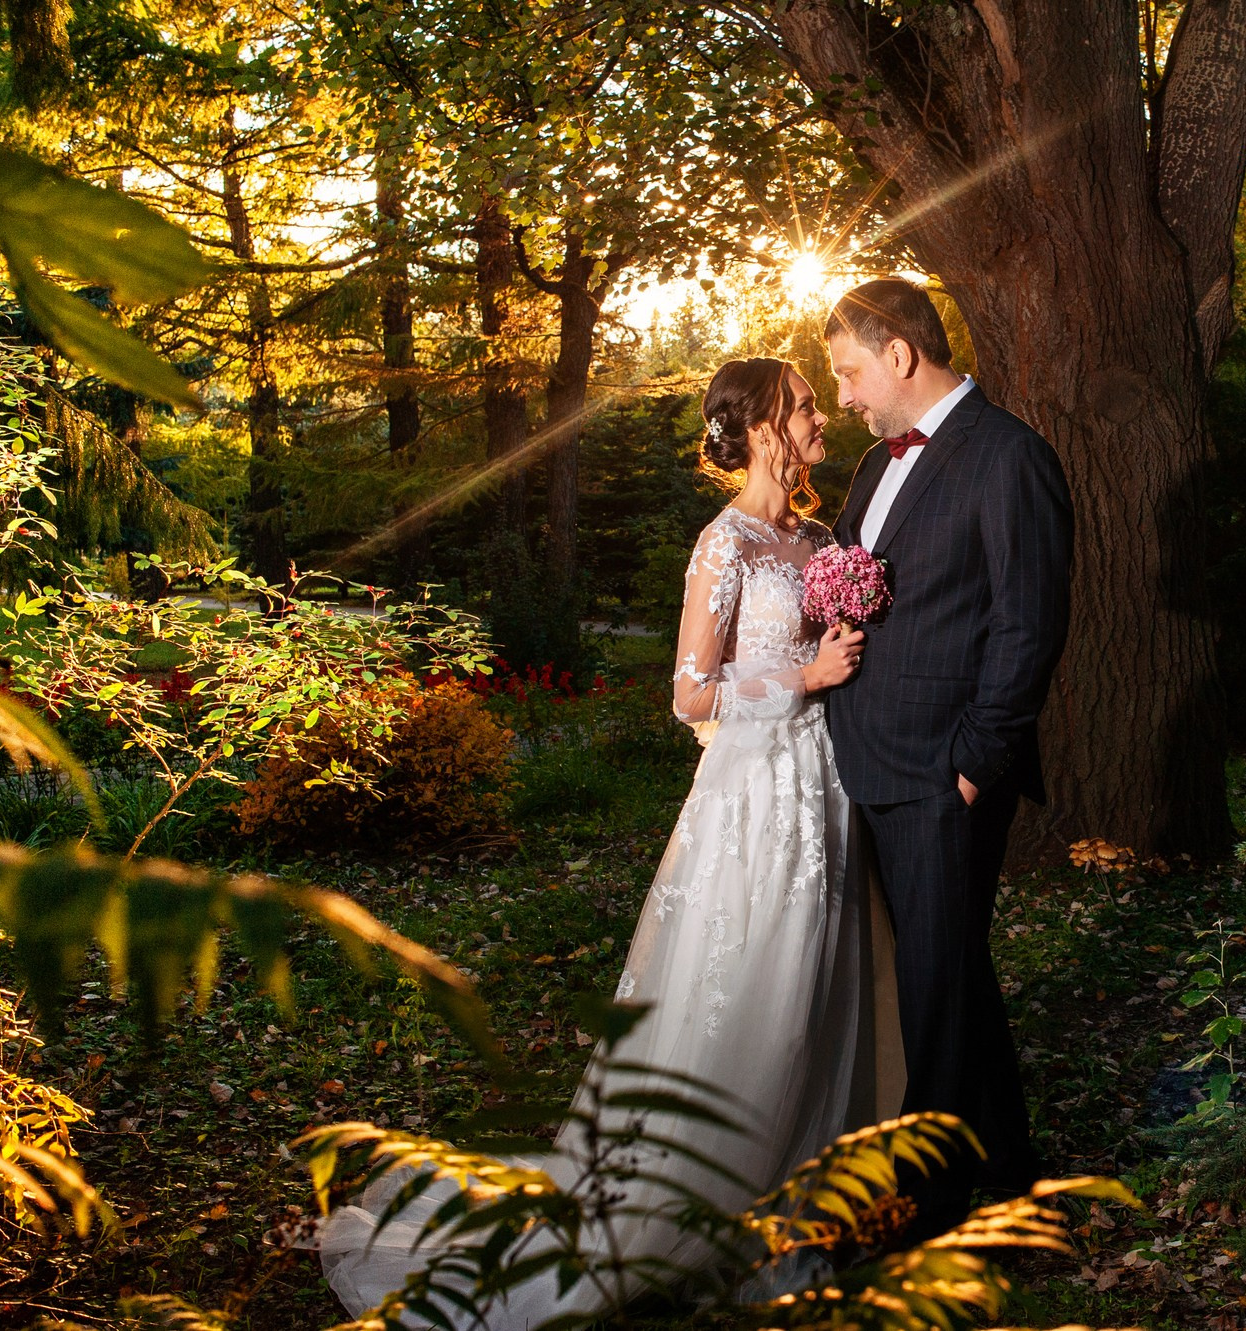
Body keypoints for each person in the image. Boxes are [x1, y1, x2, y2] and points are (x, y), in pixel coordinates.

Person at [317, 358, 903, 1325]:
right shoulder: (725, 544)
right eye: (801, 407)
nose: (816, 418)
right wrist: (802, 680)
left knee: (819, 981)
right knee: (753, 980)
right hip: (753, 796)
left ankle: (796, 1205)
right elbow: (689, 695)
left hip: (825, 785)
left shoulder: (819, 534)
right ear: (760, 428)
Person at [824, 278, 1074, 1237]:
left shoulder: (1009, 456)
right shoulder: (869, 468)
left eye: (850, 373)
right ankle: (1013, 1177)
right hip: (870, 758)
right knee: (948, 971)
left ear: (899, 355)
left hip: (944, 772)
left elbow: (1029, 624)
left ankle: (928, 1208)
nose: (843, 394)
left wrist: (974, 762)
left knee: (933, 989)